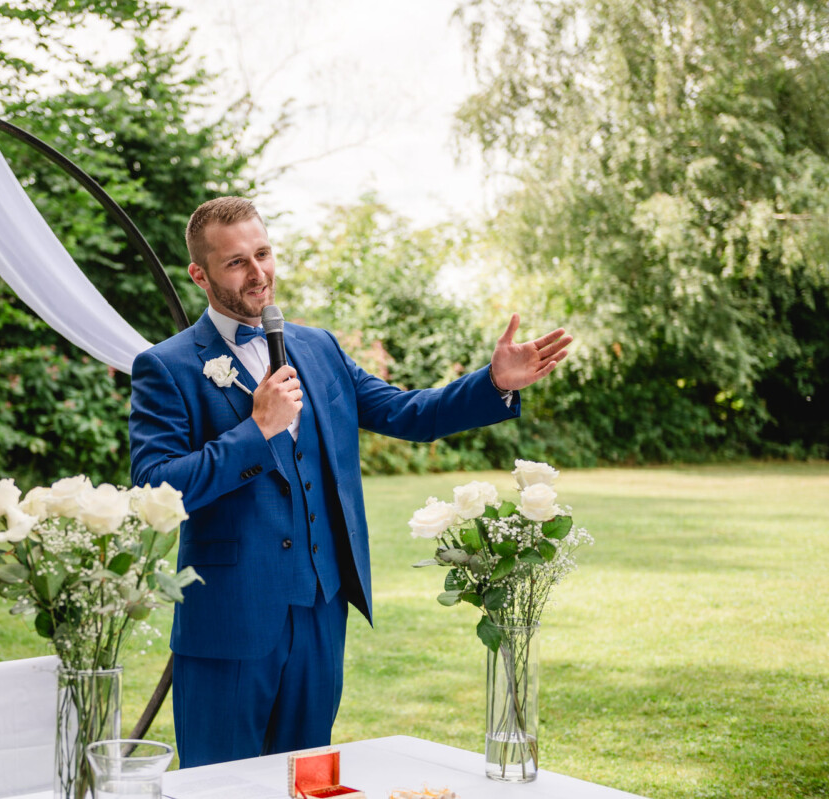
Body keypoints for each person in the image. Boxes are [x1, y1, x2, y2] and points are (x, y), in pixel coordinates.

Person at [128, 196, 571, 768]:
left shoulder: (320, 347)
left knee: (306, 778)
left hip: (321, 608)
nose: (258, 272)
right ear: (200, 274)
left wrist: (493, 382)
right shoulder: (168, 366)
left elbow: (409, 412)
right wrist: (256, 432)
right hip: (229, 621)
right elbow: (153, 488)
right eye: (237, 262)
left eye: (262, 253)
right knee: (220, 785)